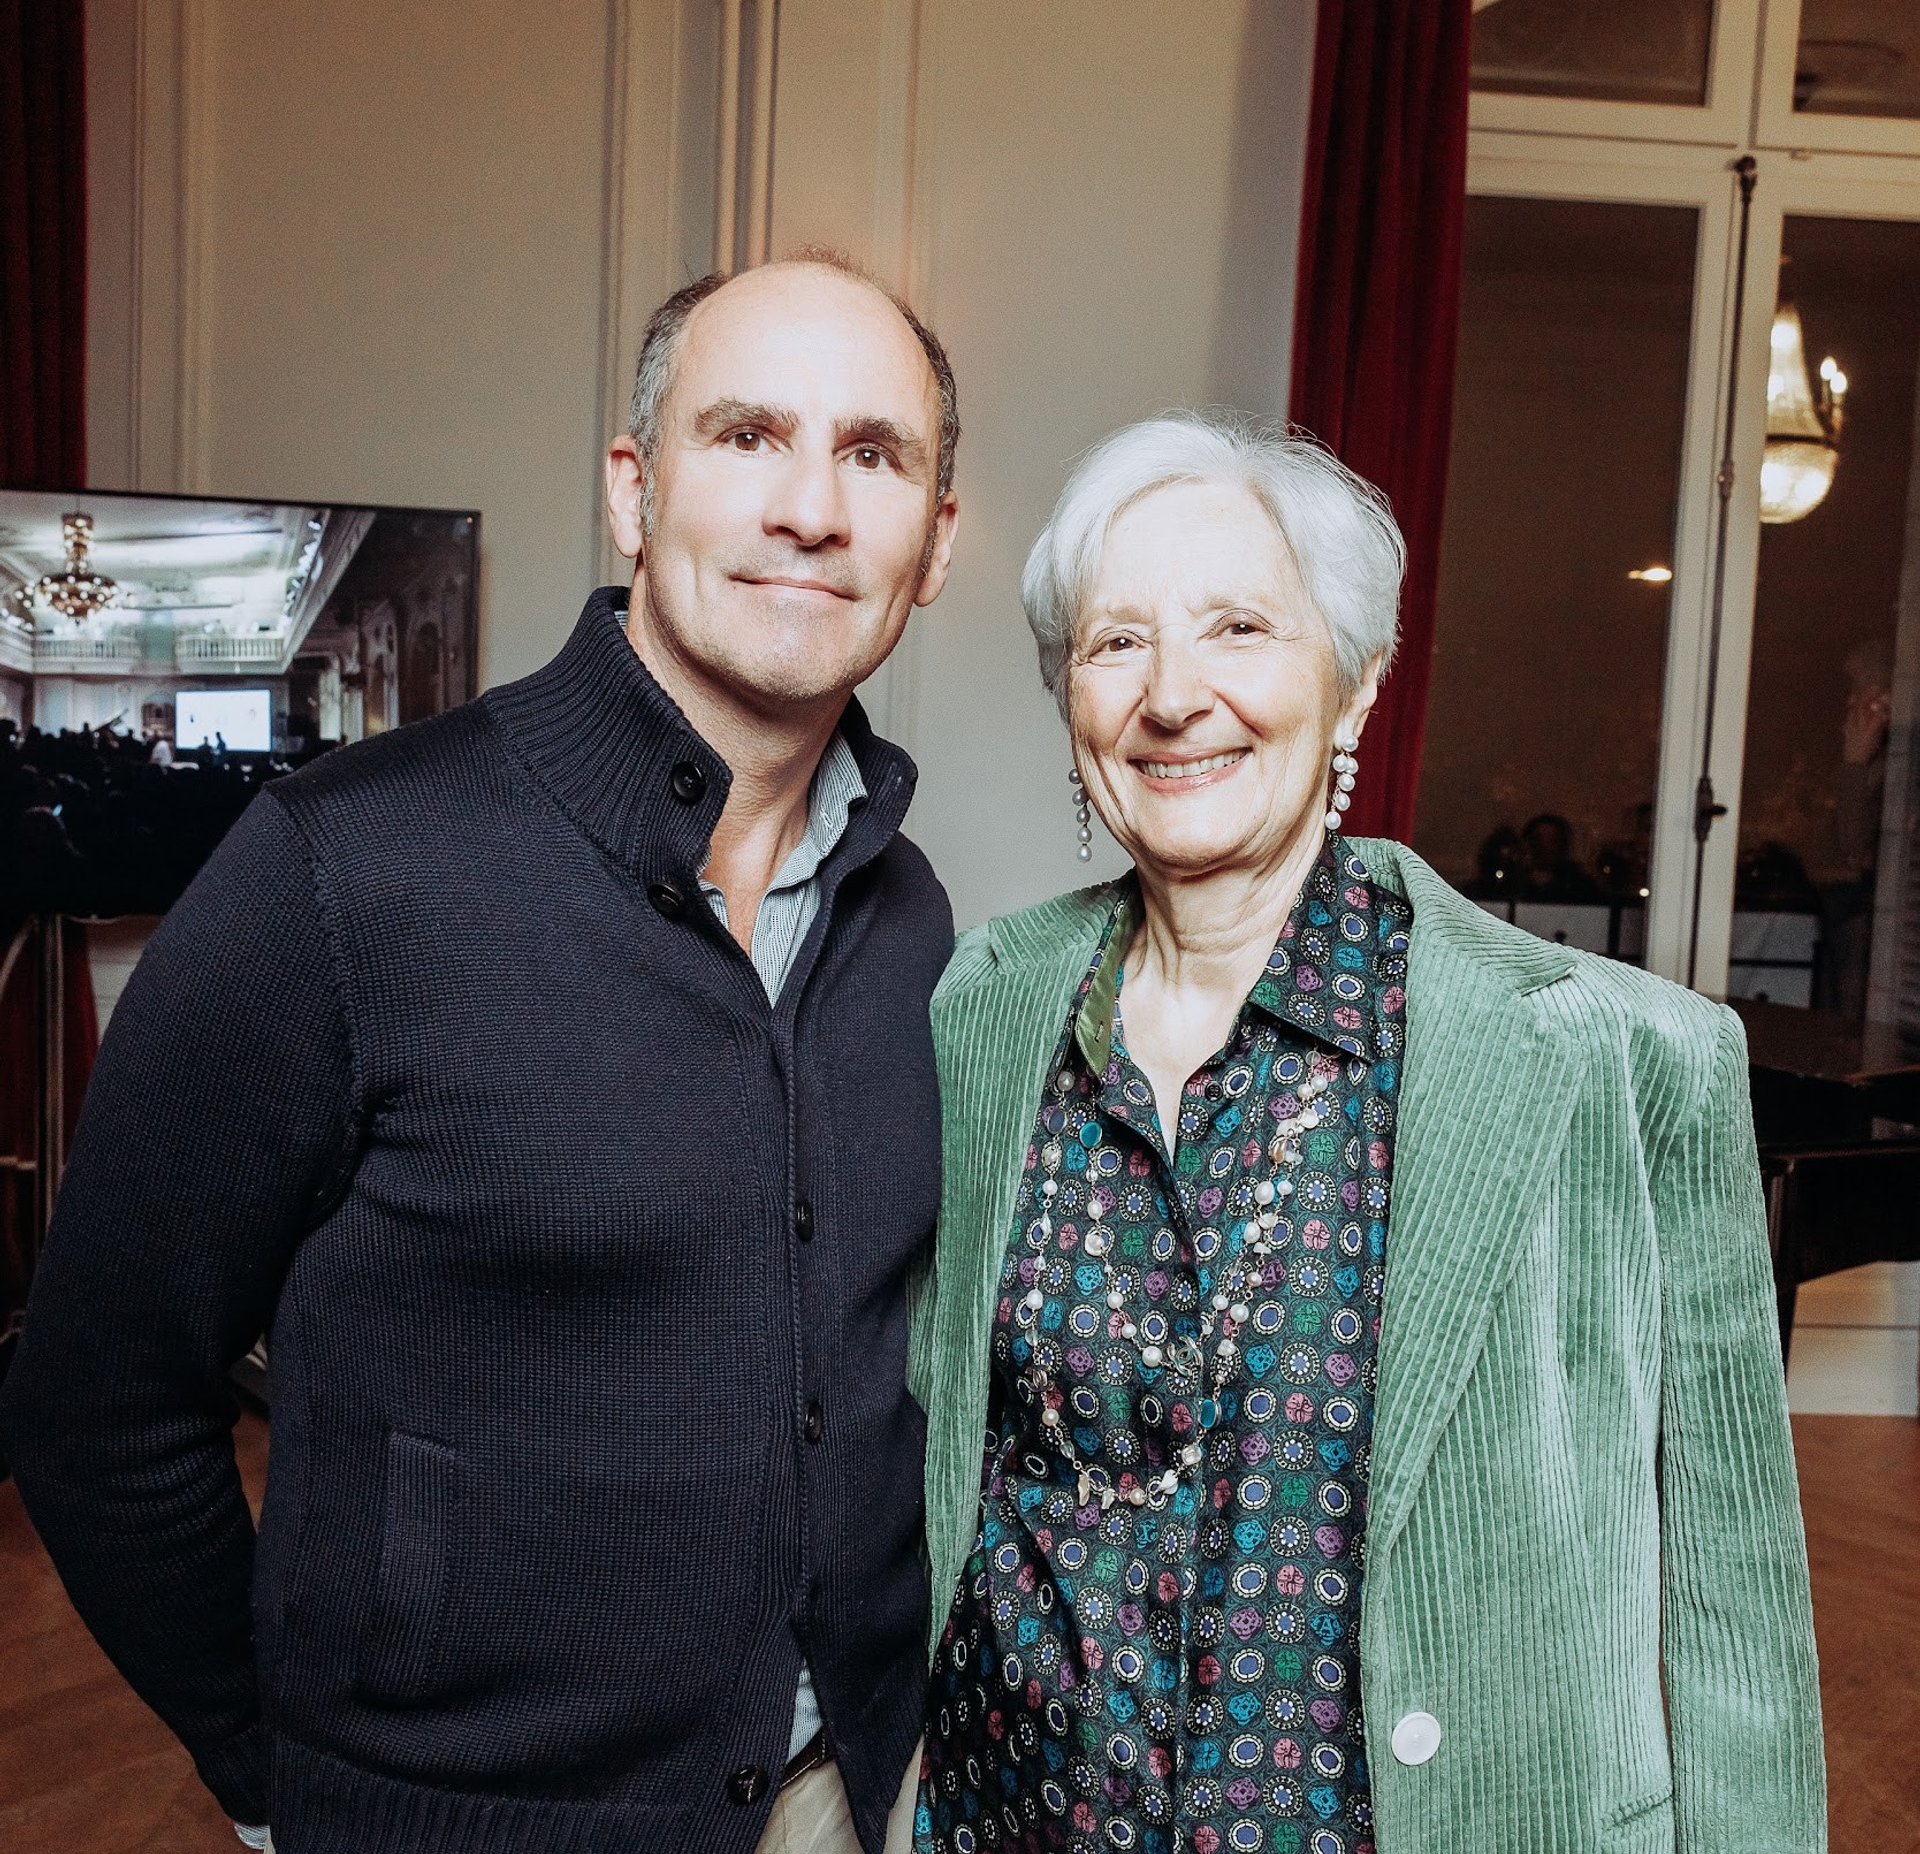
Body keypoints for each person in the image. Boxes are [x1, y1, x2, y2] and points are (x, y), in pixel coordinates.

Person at [1, 252, 959, 1854]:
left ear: (934, 539)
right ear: (632, 492)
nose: (814, 508)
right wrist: (277, 1779)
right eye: (746, 438)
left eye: (876, 455)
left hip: (840, 1805)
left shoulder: (910, 915)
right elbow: (95, 1399)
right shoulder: (345, 870)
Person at [905, 412, 1823, 1854]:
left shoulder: (1620, 1060)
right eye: (1115, 642)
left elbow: (1735, 1604)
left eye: (1238, 629)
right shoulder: (984, 1009)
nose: (1174, 695)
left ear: (1356, 686)